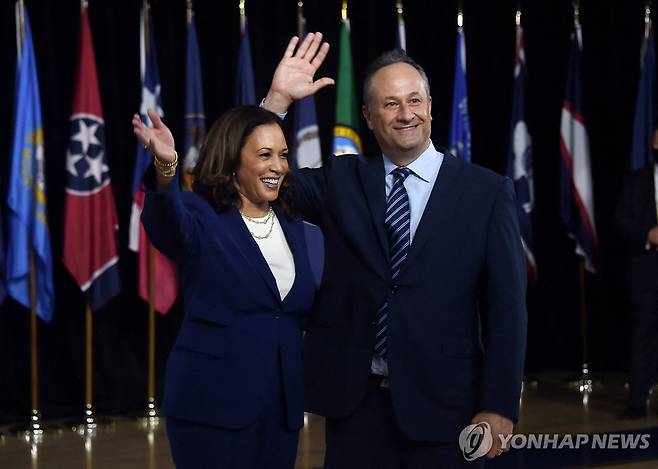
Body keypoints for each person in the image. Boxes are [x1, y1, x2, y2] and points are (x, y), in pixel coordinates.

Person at [263, 33, 528, 467]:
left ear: (430, 106)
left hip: (450, 412)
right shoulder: (340, 181)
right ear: (367, 116)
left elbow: (507, 309)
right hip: (356, 411)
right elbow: (258, 176)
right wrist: (275, 103)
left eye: (414, 100)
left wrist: (499, 404)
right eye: (390, 104)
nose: (406, 114)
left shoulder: (486, 192)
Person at [132, 105, 317, 469]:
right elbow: (167, 221)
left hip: (281, 412)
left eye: (282, 155)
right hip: (211, 407)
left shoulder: (299, 228)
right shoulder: (202, 217)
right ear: (233, 160)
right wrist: (167, 166)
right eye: (264, 155)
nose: (277, 166)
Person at [613, 129, 658, 419]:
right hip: (646, 272)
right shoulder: (636, 181)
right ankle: (638, 399)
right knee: (645, 334)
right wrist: (648, 234)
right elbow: (619, 223)